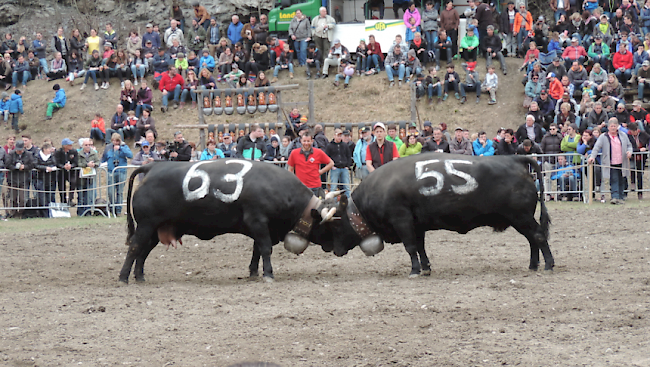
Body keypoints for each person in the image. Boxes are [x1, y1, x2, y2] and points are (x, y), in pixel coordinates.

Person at [589, 118, 633, 204]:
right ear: (608, 127)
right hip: (610, 162)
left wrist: (629, 152)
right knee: (614, 179)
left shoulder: (623, 135)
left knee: (622, 179)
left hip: (622, 161)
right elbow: (596, 148)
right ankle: (615, 197)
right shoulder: (603, 137)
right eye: (611, 126)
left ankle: (621, 196)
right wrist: (592, 157)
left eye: (614, 126)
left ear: (617, 127)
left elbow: (629, 146)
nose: (613, 128)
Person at [102, 133, 133, 215]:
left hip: (121, 171)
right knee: (110, 191)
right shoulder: (108, 148)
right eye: (113, 141)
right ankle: (112, 208)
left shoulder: (124, 147)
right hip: (110, 172)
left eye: (117, 141)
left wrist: (121, 148)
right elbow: (103, 159)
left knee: (120, 192)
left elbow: (130, 155)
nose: (115, 142)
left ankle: (118, 210)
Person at [5, 140, 35, 218]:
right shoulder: (11, 154)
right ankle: (13, 213)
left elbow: (32, 164)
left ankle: (21, 212)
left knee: (22, 199)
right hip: (13, 179)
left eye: (20, 150)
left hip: (23, 179)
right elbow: (7, 164)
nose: (19, 151)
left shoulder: (28, 154)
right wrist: (15, 167)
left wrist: (24, 167)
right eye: (18, 150)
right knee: (13, 198)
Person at [325, 129, 352, 198]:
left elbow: (349, 156)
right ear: (334, 136)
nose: (339, 137)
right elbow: (326, 157)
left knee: (347, 187)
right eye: (338, 136)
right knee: (333, 187)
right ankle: (333, 203)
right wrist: (331, 166)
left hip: (344, 168)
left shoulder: (345, 145)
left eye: (340, 136)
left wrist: (348, 166)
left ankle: (348, 202)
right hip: (335, 168)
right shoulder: (329, 146)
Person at [77, 139, 101, 216]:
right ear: (82, 146)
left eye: (89, 145)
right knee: (81, 195)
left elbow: (98, 162)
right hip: (81, 178)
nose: (88, 147)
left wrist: (94, 164)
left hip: (91, 177)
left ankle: (88, 212)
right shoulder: (78, 153)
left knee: (90, 195)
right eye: (86, 145)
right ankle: (80, 212)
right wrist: (86, 164)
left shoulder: (94, 153)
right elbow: (78, 163)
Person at [627, 122, 650, 199]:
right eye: (632, 131)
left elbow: (648, 140)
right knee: (632, 169)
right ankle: (632, 183)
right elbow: (629, 146)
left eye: (635, 131)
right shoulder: (628, 136)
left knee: (640, 174)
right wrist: (639, 150)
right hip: (633, 156)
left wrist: (647, 148)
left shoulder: (643, 134)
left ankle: (640, 193)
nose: (634, 133)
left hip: (642, 157)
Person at [54, 138, 78, 206]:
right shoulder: (58, 152)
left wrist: (71, 166)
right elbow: (56, 162)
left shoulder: (74, 151)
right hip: (61, 173)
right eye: (69, 144)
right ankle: (63, 202)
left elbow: (76, 162)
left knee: (73, 182)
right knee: (61, 187)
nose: (71, 145)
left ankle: (70, 199)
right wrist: (63, 166)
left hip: (71, 172)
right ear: (64, 146)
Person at [34, 141, 57, 209]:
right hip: (40, 178)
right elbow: (35, 165)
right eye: (49, 149)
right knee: (41, 196)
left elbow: (55, 163)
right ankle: (44, 212)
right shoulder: (37, 155)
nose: (50, 150)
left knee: (50, 196)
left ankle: (51, 211)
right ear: (44, 149)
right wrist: (45, 168)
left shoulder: (52, 155)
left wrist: (51, 168)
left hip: (50, 179)